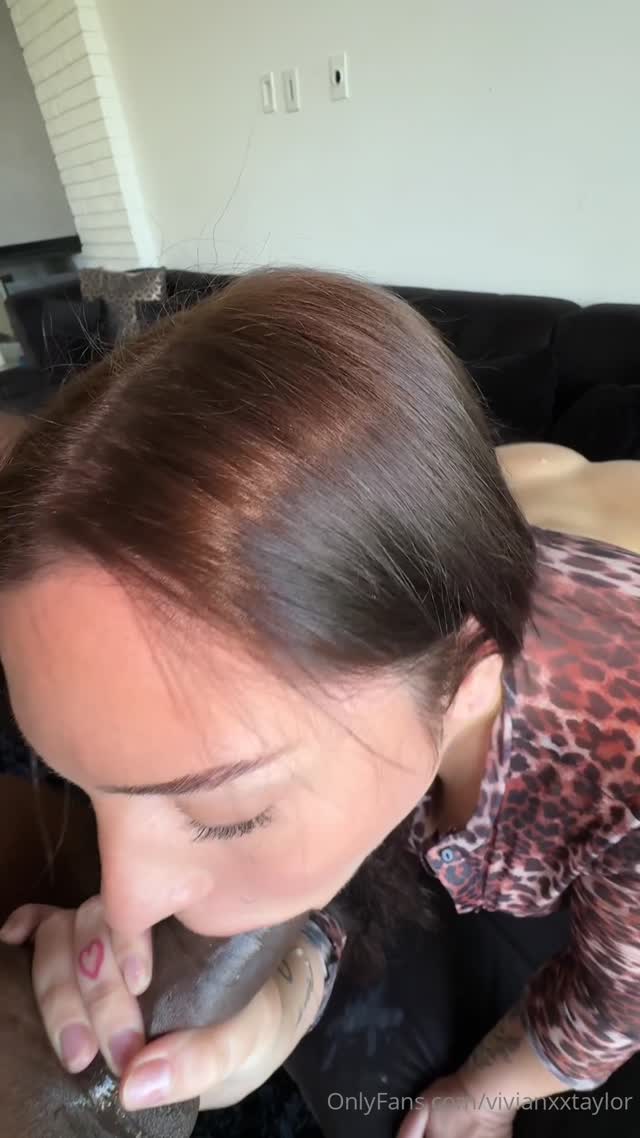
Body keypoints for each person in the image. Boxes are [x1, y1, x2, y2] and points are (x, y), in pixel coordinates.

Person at [0, 268, 638, 1138]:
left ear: (464, 689)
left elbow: (611, 1007)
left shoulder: (617, 776)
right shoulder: (399, 548)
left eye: (227, 813)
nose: (125, 904)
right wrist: (272, 1012)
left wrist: (480, 1096)